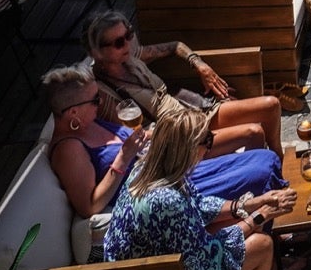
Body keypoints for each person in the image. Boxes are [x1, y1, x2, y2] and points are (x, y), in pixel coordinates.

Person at [103, 106, 296, 270]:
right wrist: (259, 216)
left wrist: (247, 204)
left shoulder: (146, 169)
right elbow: (205, 260)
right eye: (207, 140)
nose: (210, 145)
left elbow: (198, 204)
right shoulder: (166, 200)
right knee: (262, 245)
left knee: (242, 228)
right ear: (187, 149)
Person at [42, 65, 282, 222]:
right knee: (259, 172)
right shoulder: (68, 149)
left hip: (172, 170)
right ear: (73, 112)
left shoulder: (89, 122)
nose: (100, 101)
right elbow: (89, 206)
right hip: (162, 191)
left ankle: (270, 228)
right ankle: (268, 245)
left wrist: (151, 136)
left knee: (263, 158)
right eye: (95, 99)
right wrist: (123, 157)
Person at [83, 11, 286, 162]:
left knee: (271, 105)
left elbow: (176, 46)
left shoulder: (131, 57)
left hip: (196, 113)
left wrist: (200, 66)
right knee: (254, 132)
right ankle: (259, 178)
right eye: (119, 42)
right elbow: (135, 138)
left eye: (129, 35)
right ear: (96, 52)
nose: (128, 44)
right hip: (181, 138)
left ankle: (278, 160)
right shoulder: (104, 95)